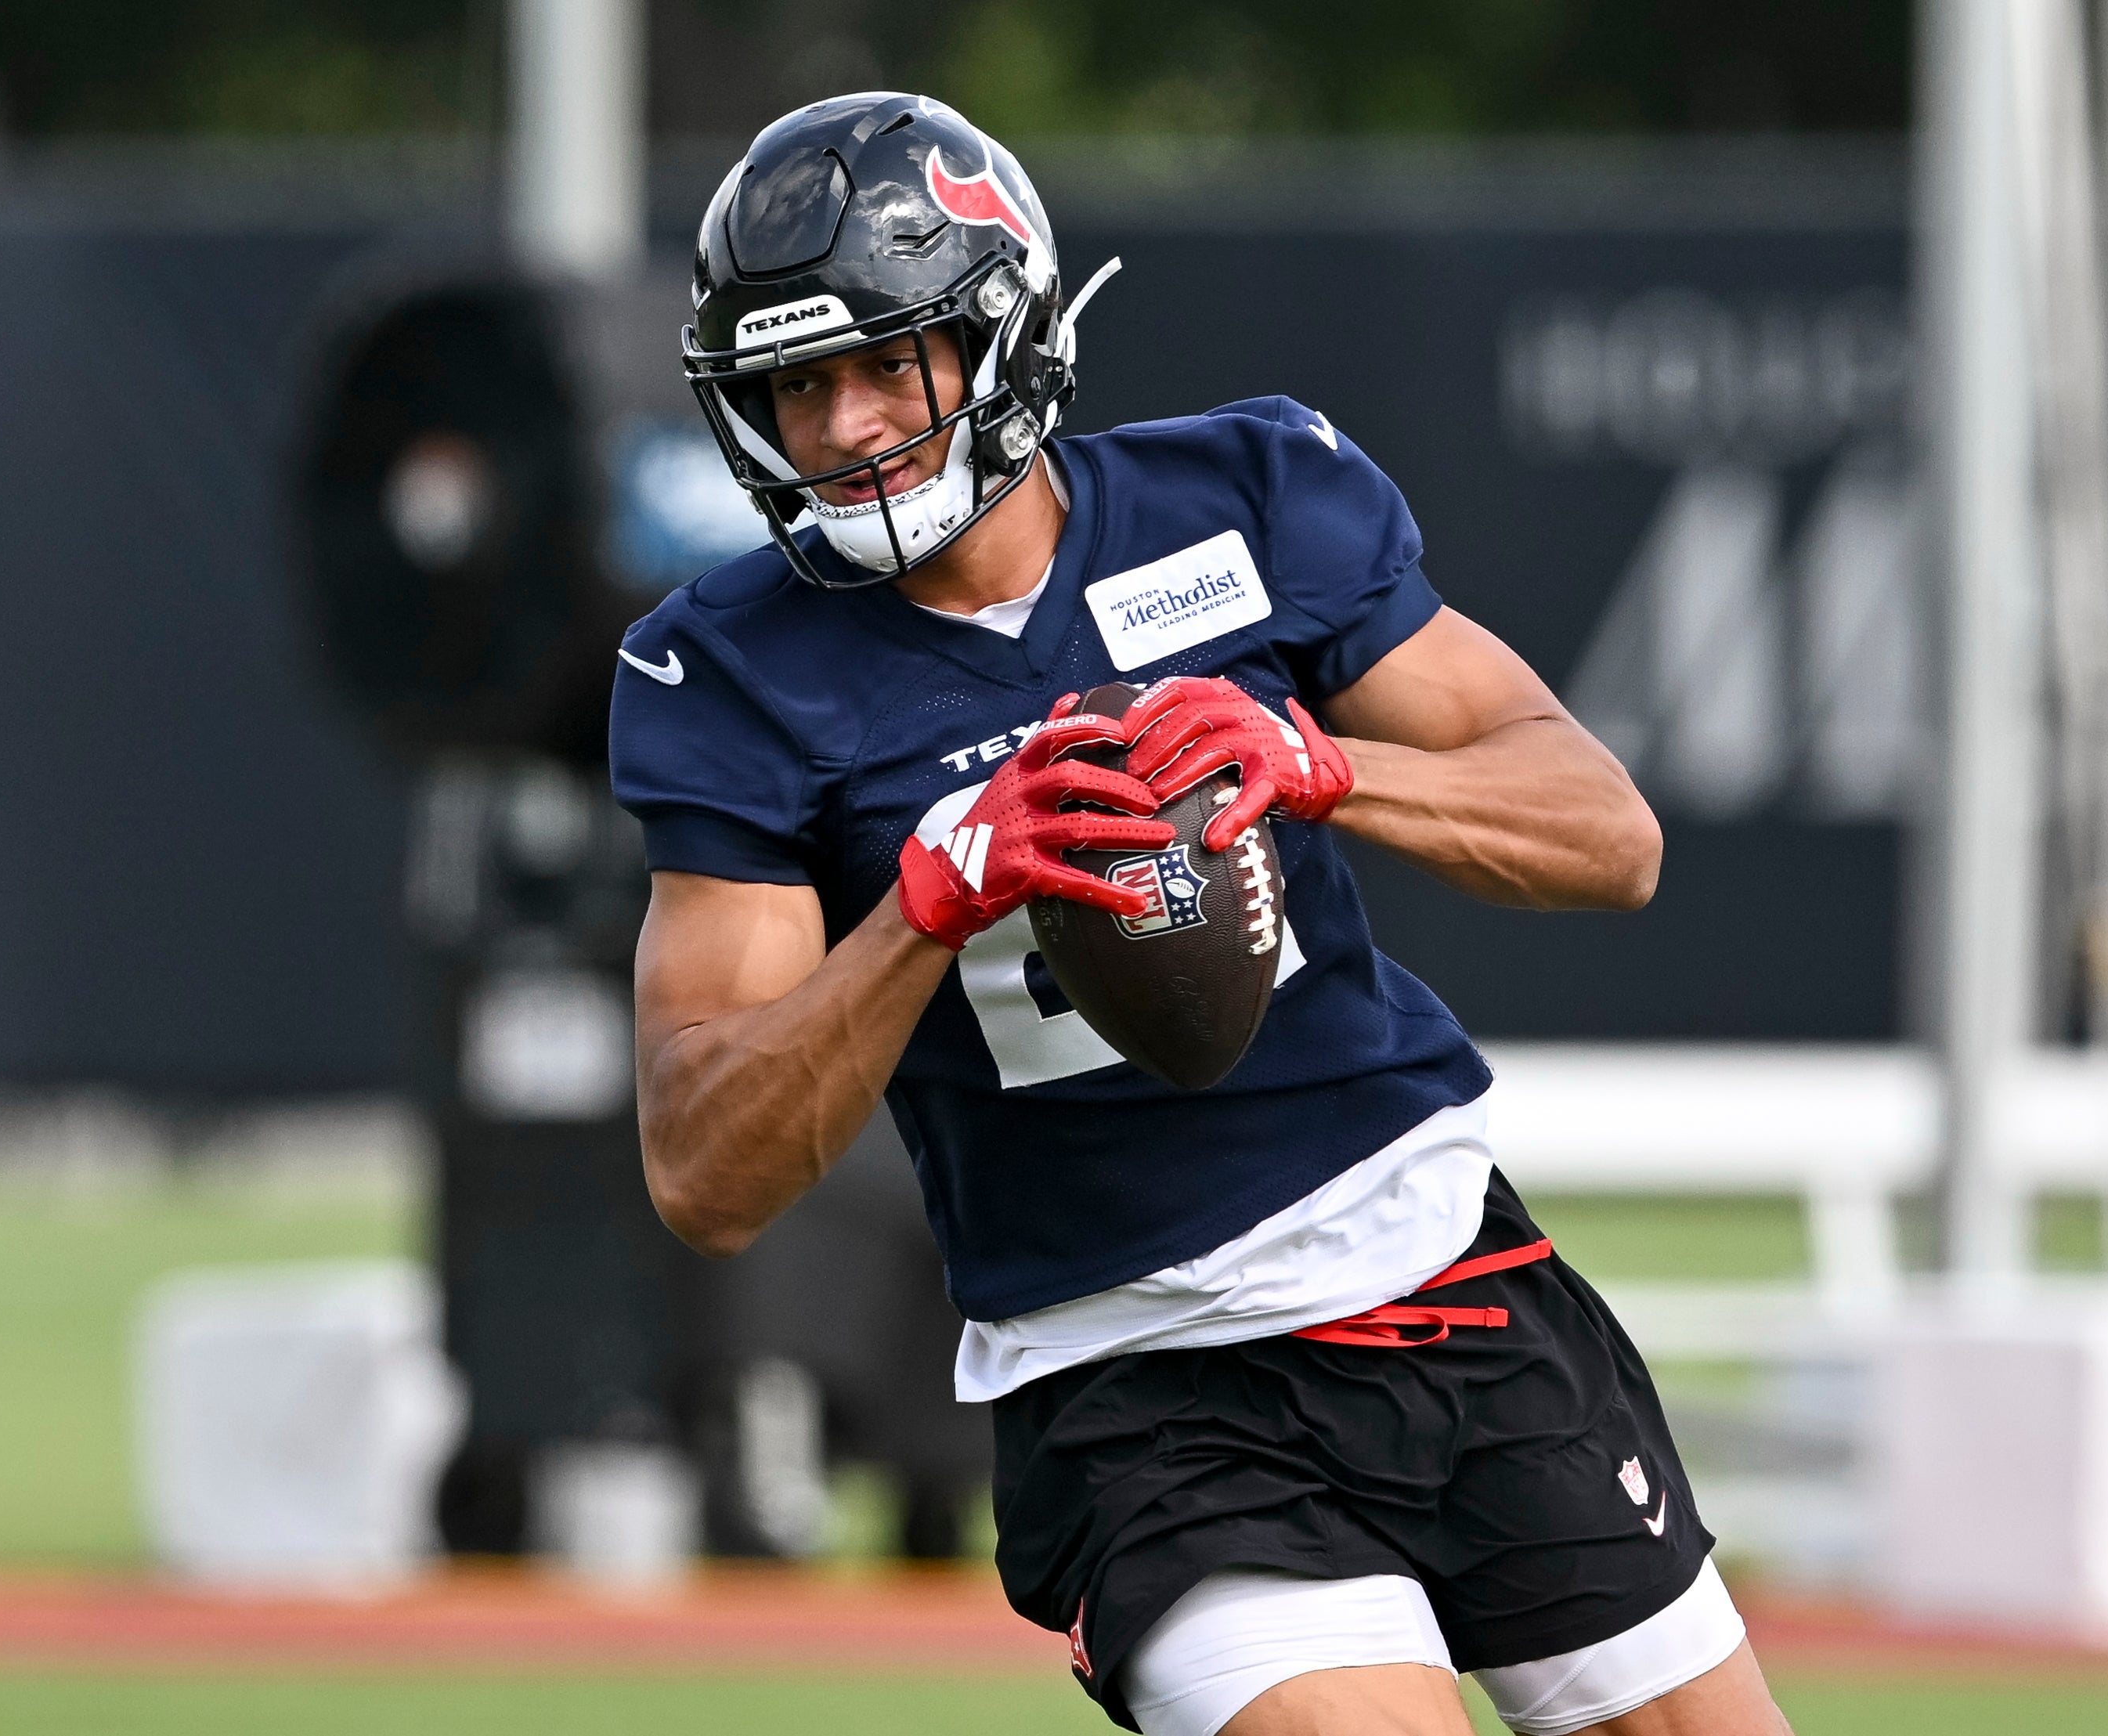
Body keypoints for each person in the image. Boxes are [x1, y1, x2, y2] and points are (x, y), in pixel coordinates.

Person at [613, 92, 1794, 1736]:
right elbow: (705, 1170)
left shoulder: (1247, 492)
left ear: (1001, 330)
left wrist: (1318, 762)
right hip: (1141, 1384)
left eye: (888, 361)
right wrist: (927, 902)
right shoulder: (728, 670)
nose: (846, 425)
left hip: (1443, 1266)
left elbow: (1606, 832)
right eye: (797, 386)